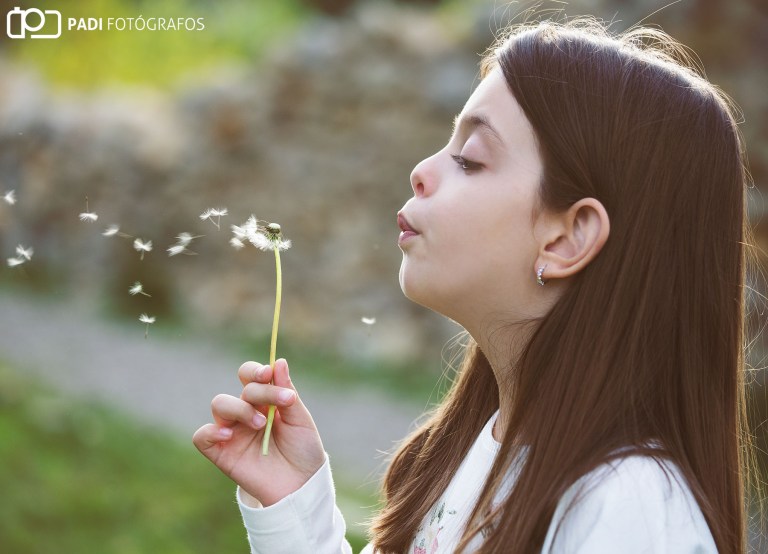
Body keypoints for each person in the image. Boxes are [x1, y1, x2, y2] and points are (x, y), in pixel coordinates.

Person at [192, 14, 761, 554]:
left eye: (469, 158)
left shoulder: (628, 510)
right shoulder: (478, 445)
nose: (421, 170)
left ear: (567, 239)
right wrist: (296, 507)